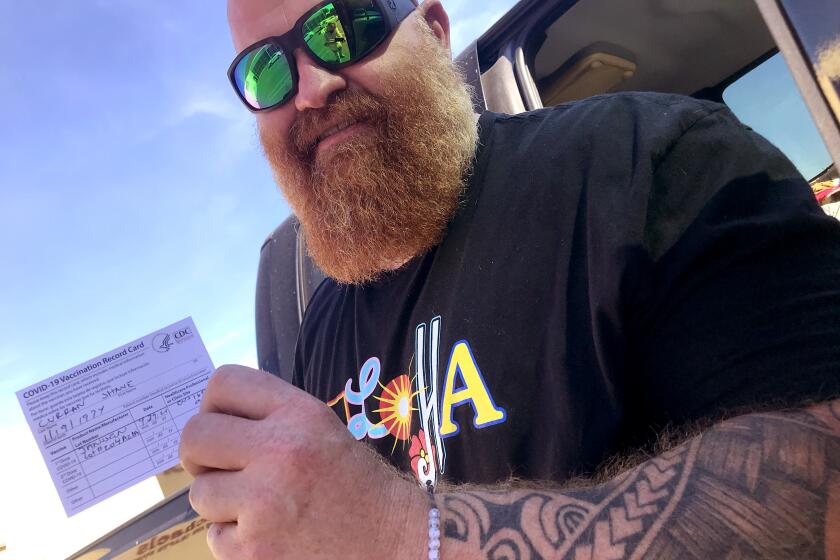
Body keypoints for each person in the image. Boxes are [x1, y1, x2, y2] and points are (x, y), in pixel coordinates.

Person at [179, 0, 840, 558]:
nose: (312, 85)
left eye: (344, 25)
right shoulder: (319, 330)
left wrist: (402, 532)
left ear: (434, 30)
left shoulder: (647, 161)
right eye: (266, 71)